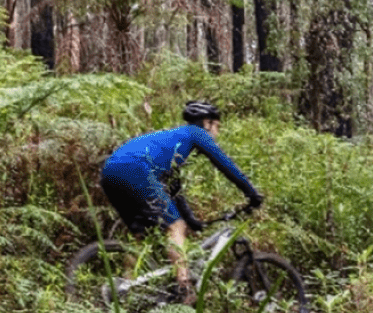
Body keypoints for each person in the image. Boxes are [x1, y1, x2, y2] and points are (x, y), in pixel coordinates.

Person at [98, 101, 263, 297]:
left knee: (141, 236)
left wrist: (192, 220)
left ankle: (123, 289)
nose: (217, 132)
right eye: (217, 126)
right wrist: (251, 193)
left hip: (110, 173)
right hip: (136, 169)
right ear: (207, 123)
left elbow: (174, 189)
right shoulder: (196, 133)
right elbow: (225, 164)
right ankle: (184, 287)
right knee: (175, 227)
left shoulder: (174, 141)